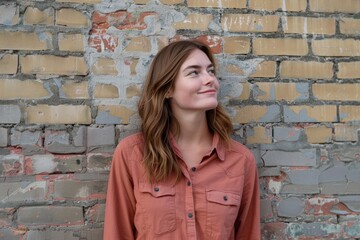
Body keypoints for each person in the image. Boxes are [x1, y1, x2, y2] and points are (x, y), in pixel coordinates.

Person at [103, 39, 260, 240]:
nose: (210, 79)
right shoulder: (132, 154)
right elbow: (117, 233)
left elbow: (249, 235)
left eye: (210, 71)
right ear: (168, 89)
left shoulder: (240, 160)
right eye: (194, 72)